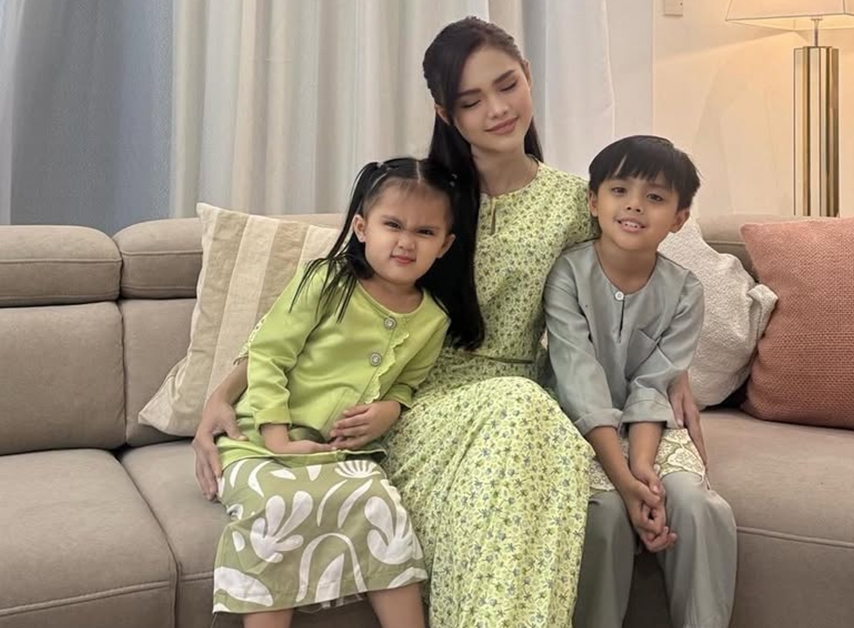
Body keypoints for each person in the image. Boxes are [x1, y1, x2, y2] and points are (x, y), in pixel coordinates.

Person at [193, 17, 702, 627]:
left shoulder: (579, 201)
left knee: (526, 413)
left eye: (506, 85)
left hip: (529, 403)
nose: (497, 109)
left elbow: (632, 284)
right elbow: (326, 302)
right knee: (522, 410)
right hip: (419, 403)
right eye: (471, 100)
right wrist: (222, 393)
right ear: (446, 113)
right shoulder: (425, 200)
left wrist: (671, 371)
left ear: (528, 76)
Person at [210, 157, 480, 628]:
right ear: (361, 227)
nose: (406, 242)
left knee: (384, 510)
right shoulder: (325, 281)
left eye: (424, 232)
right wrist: (276, 437)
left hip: (340, 453)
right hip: (256, 440)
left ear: (444, 245)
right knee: (277, 509)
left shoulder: (432, 319)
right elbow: (269, 356)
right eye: (392, 225)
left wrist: (390, 409)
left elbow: (407, 383)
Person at [545, 135, 737, 628]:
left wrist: (643, 468)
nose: (634, 204)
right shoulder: (567, 275)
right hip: (578, 428)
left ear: (679, 218)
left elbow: (655, 384)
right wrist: (624, 479)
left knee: (695, 506)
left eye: (654, 196)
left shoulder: (685, 291)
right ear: (593, 201)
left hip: (652, 429)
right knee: (605, 513)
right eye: (619, 190)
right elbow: (579, 380)